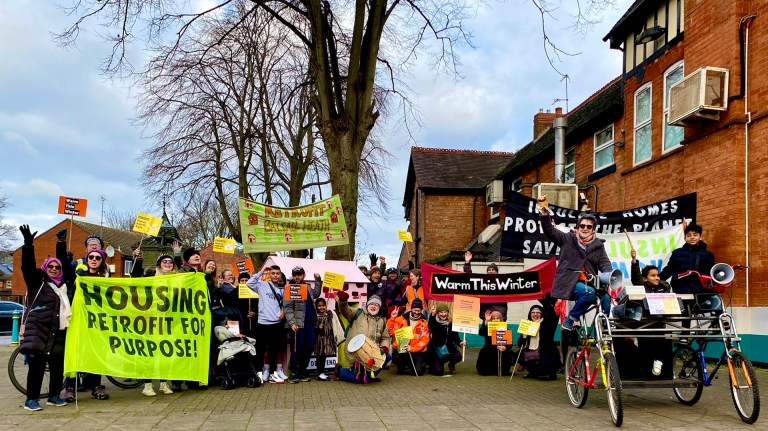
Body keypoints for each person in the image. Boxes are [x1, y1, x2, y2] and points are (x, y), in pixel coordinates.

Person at [18, 225, 72, 411]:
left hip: (58, 330)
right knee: (37, 367)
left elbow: (64, 263)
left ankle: (54, 396)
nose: (55, 269)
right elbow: (26, 267)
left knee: (57, 365)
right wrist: (27, 245)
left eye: (57, 267)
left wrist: (61, 243)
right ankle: (31, 399)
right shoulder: (37, 283)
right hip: (38, 330)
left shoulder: (65, 285)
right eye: (51, 266)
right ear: (45, 268)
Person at [538, 196, 612, 331]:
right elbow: (550, 232)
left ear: (593, 229)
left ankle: (602, 329)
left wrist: (609, 275)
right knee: (588, 293)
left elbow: (605, 264)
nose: (585, 228)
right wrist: (544, 212)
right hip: (568, 284)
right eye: (582, 226)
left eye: (589, 226)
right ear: (577, 227)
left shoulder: (598, 246)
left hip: (589, 282)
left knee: (606, 297)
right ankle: (570, 319)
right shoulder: (568, 238)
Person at [73, 247, 111, 400]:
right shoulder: (78, 275)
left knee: (97, 353)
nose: (94, 260)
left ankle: (96, 386)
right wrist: (76, 279)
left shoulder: (105, 279)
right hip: (80, 320)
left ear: (102, 262)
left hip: (97, 322)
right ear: (87, 259)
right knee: (76, 353)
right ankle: (71, 386)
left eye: (97, 258)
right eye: (91, 257)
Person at [136, 252, 175, 396]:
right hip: (151, 320)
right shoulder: (150, 277)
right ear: (159, 264)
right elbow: (135, 277)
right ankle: (147, 385)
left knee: (165, 353)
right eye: (164, 261)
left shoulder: (177, 278)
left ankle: (164, 384)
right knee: (150, 354)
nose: (168, 264)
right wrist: (138, 259)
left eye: (170, 262)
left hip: (168, 321)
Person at [631, 250, 674, 379]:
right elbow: (635, 277)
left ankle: (660, 362)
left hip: (659, 323)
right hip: (644, 324)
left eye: (657, 275)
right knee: (645, 347)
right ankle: (645, 372)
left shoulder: (664, 287)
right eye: (652, 275)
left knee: (661, 343)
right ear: (645, 278)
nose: (656, 278)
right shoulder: (642, 286)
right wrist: (634, 261)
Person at [334, 292, 391, 384]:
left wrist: (384, 347)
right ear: (368, 304)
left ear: (379, 307)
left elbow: (385, 338)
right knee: (359, 380)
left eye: (376, 305)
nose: (373, 306)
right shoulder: (357, 313)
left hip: (371, 353)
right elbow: (345, 310)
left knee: (387, 357)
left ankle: (370, 375)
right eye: (372, 304)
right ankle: (340, 370)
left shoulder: (381, 321)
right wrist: (343, 301)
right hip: (355, 353)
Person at [246, 265, 286, 384]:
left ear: (280, 275)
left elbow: (286, 303)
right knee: (261, 349)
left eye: (277, 273)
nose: (275, 275)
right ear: (269, 274)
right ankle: (259, 373)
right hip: (262, 323)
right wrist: (261, 271)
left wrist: (283, 310)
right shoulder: (262, 285)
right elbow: (249, 283)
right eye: (273, 273)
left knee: (274, 349)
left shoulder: (283, 289)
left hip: (276, 324)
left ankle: (273, 373)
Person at [284, 266, 322, 383]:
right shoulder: (290, 288)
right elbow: (287, 307)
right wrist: (292, 323)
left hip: (310, 324)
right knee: (297, 349)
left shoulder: (307, 287)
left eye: (299, 274)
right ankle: (294, 371)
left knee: (309, 348)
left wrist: (318, 280)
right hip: (297, 325)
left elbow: (316, 294)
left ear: (304, 275)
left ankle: (302, 371)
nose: (297, 277)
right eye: (295, 275)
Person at [659, 224, 715, 294]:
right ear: (684, 238)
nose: (692, 237)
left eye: (695, 235)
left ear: (700, 237)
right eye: (688, 235)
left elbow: (712, 272)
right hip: (680, 288)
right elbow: (669, 270)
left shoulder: (708, 255)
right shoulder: (677, 253)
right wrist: (657, 278)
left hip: (702, 290)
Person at [517, 299, 561, 380]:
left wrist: (547, 304)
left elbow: (552, 316)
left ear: (542, 314)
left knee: (546, 362)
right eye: (533, 313)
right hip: (531, 350)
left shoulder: (546, 323)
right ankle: (534, 372)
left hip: (545, 350)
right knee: (518, 355)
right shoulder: (527, 324)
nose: (535, 314)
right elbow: (520, 344)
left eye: (538, 313)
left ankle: (551, 373)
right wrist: (524, 336)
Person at [463, 251, 508, 320]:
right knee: (483, 331)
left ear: (497, 272)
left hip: (499, 316)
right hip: (486, 315)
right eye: (489, 270)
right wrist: (467, 263)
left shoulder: (503, 282)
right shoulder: (482, 282)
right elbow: (469, 278)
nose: (491, 271)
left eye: (493, 270)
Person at [390, 298, 430, 375]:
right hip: (403, 349)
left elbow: (424, 340)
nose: (417, 312)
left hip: (417, 351)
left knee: (418, 372)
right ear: (411, 309)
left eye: (419, 310)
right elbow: (390, 332)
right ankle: (403, 365)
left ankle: (416, 364)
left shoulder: (424, 323)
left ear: (421, 310)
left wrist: (412, 348)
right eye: (415, 310)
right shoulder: (401, 319)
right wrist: (392, 318)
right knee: (396, 358)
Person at [427, 303, 465, 376]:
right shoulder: (434, 321)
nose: (443, 314)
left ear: (448, 312)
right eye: (441, 312)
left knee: (458, 356)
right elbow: (431, 326)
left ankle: (451, 365)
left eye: (445, 312)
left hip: (448, 348)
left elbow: (455, 337)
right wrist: (432, 314)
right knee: (438, 372)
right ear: (438, 313)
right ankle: (436, 364)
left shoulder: (451, 323)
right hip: (436, 350)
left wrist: (460, 343)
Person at [312, 297, 344, 381]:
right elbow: (313, 330)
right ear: (316, 307)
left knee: (324, 356)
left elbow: (337, 315)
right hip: (319, 341)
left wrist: (337, 301)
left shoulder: (330, 314)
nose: (321, 307)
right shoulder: (315, 316)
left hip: (328, 339)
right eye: (319, 306)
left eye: (323, 305)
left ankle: (322, 372)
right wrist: (318, 328)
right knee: (320, 356)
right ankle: (320, 373)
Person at [476, 310, 512, 376]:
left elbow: (510, 343)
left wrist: (505, 347)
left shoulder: (505, 328)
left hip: (501, 352)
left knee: (504, 372)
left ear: (501, 319)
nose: (495, 320)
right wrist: (486, 321)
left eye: (497, 318)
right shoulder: (487, 327)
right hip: (488, 352)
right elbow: (481, 333)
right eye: (493, 318)